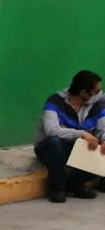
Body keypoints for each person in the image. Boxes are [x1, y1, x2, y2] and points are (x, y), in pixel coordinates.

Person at [34, 70, 105, 203]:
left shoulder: (98, 104)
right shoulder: (55, 101)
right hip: (51, 147)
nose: (100, 94)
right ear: (83, 92)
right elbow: (52, 130)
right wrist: (81, 134)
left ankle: (74, 183)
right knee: (55, 143)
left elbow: (103, 128)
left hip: (77, 147)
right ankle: (57, 188)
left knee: (100, 149)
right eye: (96, 91)